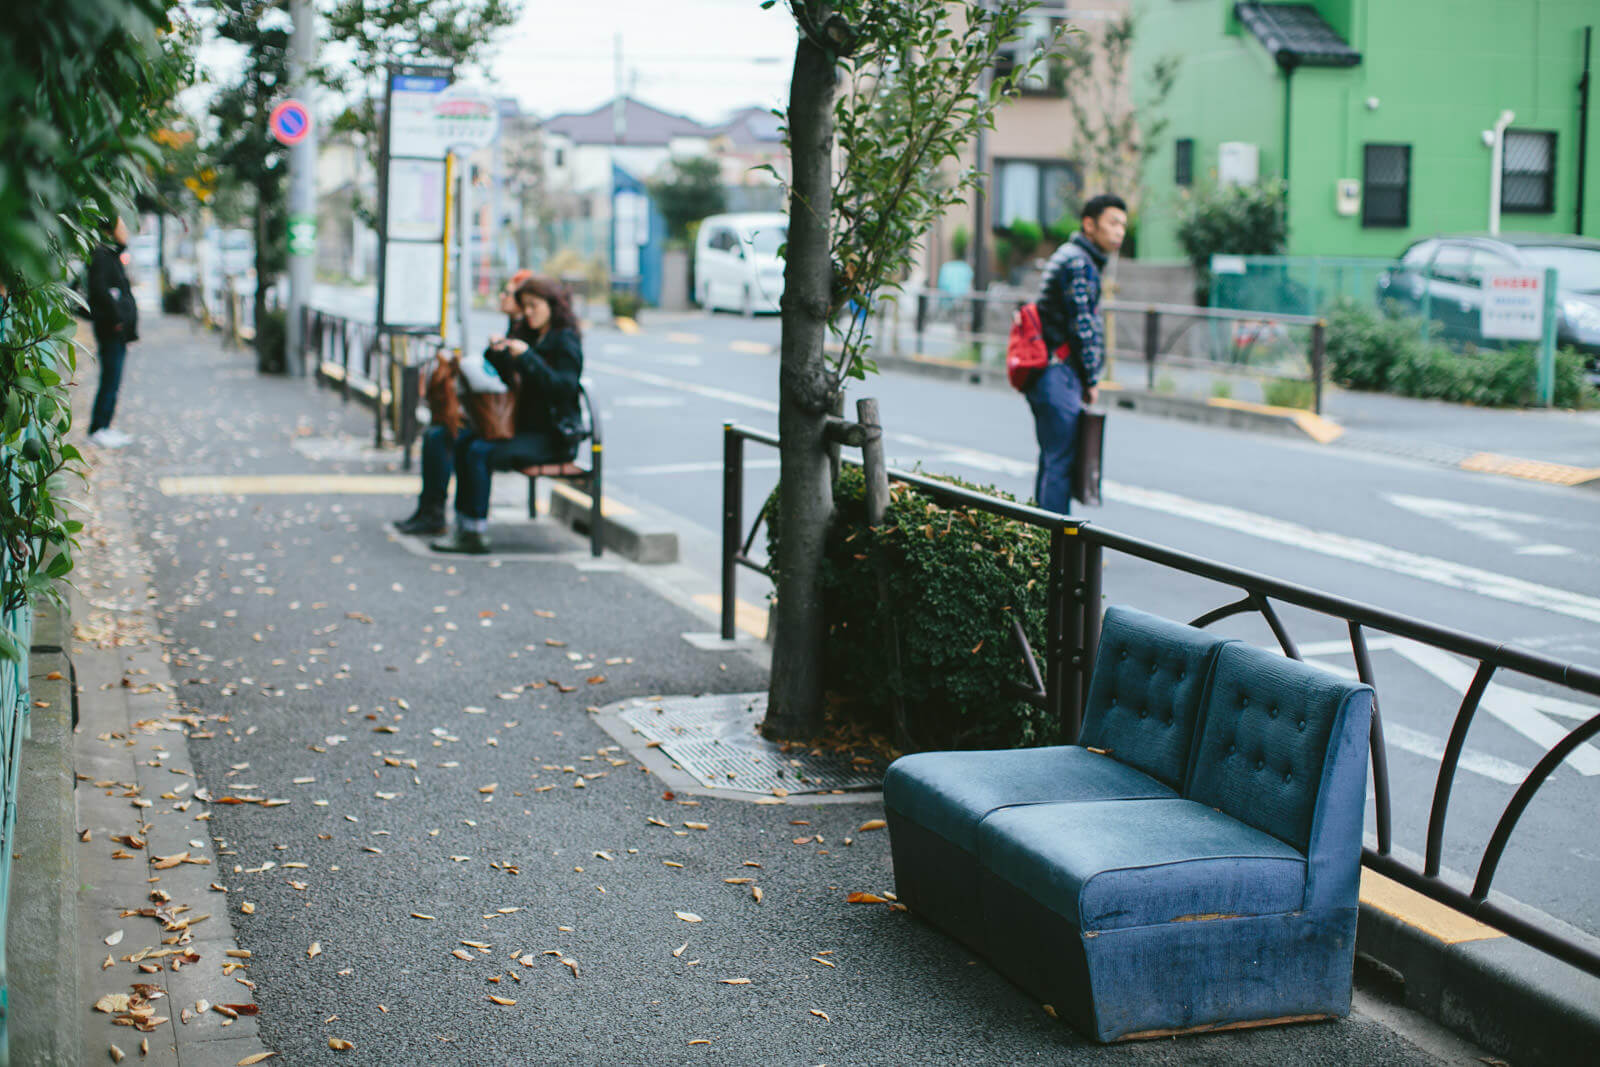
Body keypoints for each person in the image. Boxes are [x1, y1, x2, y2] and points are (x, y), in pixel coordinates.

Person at [432, 276, 584, 555]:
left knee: (479, 451)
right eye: (524, 306)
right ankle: (464, 524)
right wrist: (497, 351)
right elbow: (505, 376)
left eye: (533, 306)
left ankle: (475, 532)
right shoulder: (527, 332)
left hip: (553, 437)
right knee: (465, 443)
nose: (527, 313)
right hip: (523, 429)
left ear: (551, 305)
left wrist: (527, 358)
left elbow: (563, 388)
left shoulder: (565, 340)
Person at [396, 269, 535, 535]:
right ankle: (433, 511)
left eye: (508, 293)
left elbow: (520, 382)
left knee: (448, 437)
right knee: (437, 434)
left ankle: (451, 519)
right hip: (493, 413)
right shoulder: (514, 330)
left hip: (505, 420)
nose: (502, 297)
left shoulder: (528, 334)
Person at [1026, 193, 1126, 514]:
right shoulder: (1079, 263)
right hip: (1058, 371)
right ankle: (1059, 553)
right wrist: (1091, 378)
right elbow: (1082, 326)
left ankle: (1045, 545)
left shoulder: (1073, 256)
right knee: (1060, 463)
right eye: (1112, 223)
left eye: (1123, 224)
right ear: (1089, 224)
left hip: (1048, 369)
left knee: (1053, 457)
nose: (1119, 231)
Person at [86, 216, 139, 448]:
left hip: (115, 329)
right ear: (110, 231)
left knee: (113, 379)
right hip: (110, 329)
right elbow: (99, 290)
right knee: (110, 378)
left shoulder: (110, 255)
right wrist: (117, 318)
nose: (125, 231)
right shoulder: (103, 256)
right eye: (121, 226)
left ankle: (104, 426)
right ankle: (98, 429)